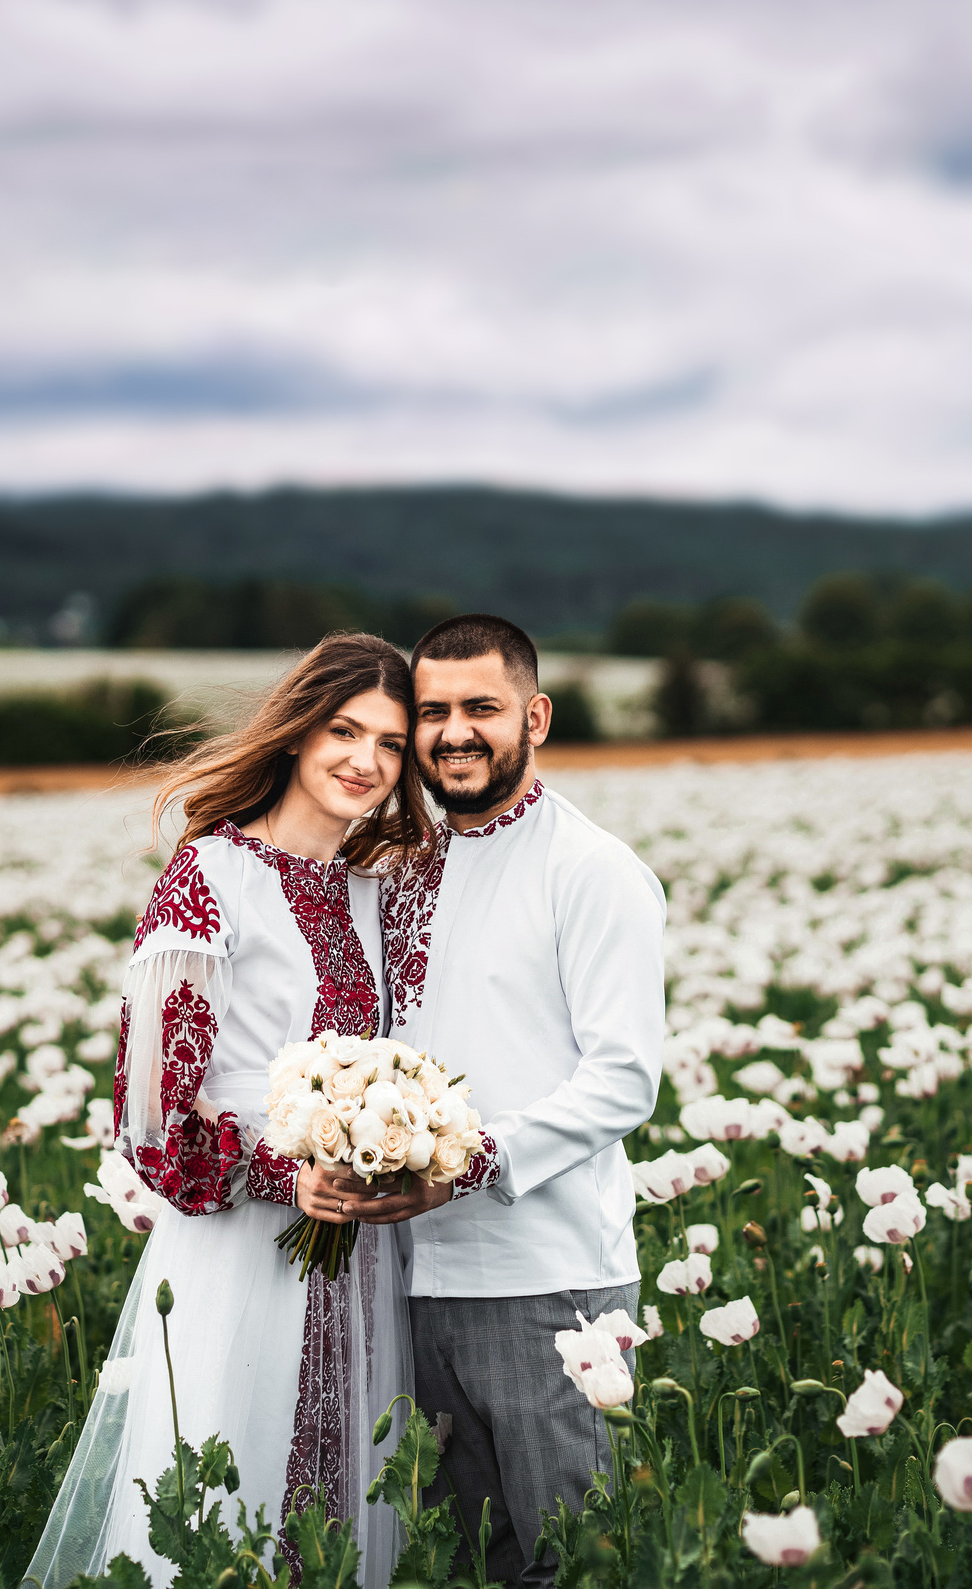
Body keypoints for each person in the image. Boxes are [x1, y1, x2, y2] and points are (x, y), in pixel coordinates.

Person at [23, 633, 433, 1589]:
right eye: (343, 728)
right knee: (230, 1499)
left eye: (390, 743)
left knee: (346, 1509)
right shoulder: (211, 875)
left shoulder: (380, 891)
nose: (364, 761)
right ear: (295, 732)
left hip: (363, 1250)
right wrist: (286, 1174)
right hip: (246, 1246)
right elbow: (151, 1110)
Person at [337, 613, 668, 1589]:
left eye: (480, 706)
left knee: (569, 1562)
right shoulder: (400, 868)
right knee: (456, 1567)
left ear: (535, 715)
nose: (454, 731)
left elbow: (622, 1079)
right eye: (432, 711)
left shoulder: (592, 869)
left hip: (549, 1279)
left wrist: (464, 1162)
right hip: (408, 1280)